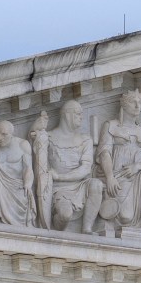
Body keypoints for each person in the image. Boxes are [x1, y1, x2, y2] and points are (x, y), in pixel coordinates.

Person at [96, 89, 141, 236]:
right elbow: (104, 153)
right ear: (123, 105)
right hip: (118, 176)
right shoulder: (111, 125)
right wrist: (110, 177)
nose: (137, 106)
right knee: (126, 216)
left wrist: (137, 167)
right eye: (133, 102)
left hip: (137, 176)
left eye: (140, 102)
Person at [34, 99, 99, 232]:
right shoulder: (49, 137)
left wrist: (60, 176)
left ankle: (87, 228)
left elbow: (86, 169)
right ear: (67, 115)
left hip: (79, 185)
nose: (82, 117)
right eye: (78, 114)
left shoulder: (85, 139)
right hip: (58, 189)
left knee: (96, 184)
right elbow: (37, 159)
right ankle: (57, 233)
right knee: (65, 214)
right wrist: (35, 130)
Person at [0, 118, 38, 226]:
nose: (0, 138)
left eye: (4, 134)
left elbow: (28, 168)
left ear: (12, 134)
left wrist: (27, 184)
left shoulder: (22, 145)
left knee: (24, 192)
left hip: (16, 186)